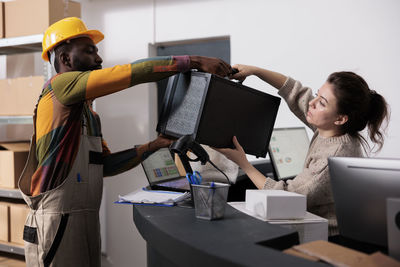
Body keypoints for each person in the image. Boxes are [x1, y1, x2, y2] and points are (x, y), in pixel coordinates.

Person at [18, 17, 232, 267]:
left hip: (84, 219)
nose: (98, 59)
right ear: (65, 59)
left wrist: (153, 146)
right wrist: (193, 61)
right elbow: (130, 73)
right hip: (54, 221)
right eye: (89, 51)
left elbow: (105, 166)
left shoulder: (90, 116)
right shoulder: (59, 87)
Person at [217, 64, 389, 235]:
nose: (312, 103)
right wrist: (256, 71)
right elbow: (294, 91)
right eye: (316, 95)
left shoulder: (334, 156)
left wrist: (243, 163)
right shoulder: (332, 130)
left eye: (322, 103)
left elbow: (285, 198)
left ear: (340, 118)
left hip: (326, 238)